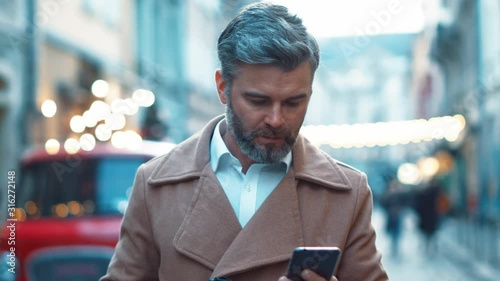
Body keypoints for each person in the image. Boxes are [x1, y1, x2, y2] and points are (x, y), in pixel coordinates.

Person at [100, 3, 387, 281]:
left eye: (293, 102)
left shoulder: (346, 193)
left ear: (309, 94)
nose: (276, 119)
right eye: (258, 100)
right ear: (223, 87)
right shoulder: (155, 185)